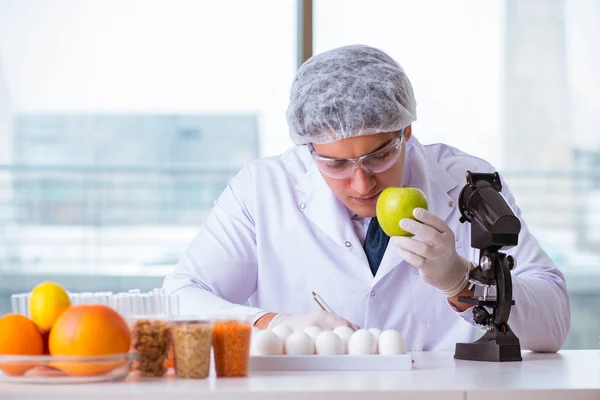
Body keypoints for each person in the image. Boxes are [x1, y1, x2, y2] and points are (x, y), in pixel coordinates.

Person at [163, 44, 570, 352]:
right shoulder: (262, 190)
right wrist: (277, 323)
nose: (361, 184)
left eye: (379, 156)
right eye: (334, 164)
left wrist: (464, 281)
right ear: (308, 148)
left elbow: (553, 324)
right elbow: (180, 297)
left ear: (406, 132)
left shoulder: (466, 183)